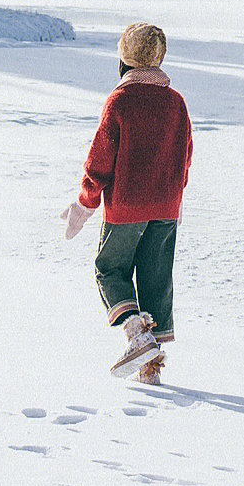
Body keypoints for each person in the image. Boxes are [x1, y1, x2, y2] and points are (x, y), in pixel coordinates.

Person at [61, 22, 192, 384]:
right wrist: (175, 201)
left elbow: (99, 161)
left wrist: (84, 205)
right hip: (166, 206)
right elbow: (185, 158)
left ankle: (137, 334)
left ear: (125, 58)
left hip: (127, 206)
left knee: (110, 269)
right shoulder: (176, 103)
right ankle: (150, 369)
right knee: (155, 279)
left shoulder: (120, 101)